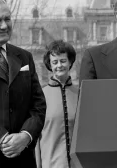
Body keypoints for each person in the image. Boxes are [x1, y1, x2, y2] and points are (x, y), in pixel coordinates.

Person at [0, 0, 46, 168]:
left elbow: (38, 105)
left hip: (24, 159)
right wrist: (0, 138)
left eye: (7, 19)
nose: (4, 25)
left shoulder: (24, 57)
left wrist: (26, 136)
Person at [35, 40, 78, 168]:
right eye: (55, 62)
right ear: (50, 65)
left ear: (70, 62)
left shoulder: (81, 94)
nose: (59, 65)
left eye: (63, 61)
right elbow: (36, 139)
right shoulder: (40, 96)